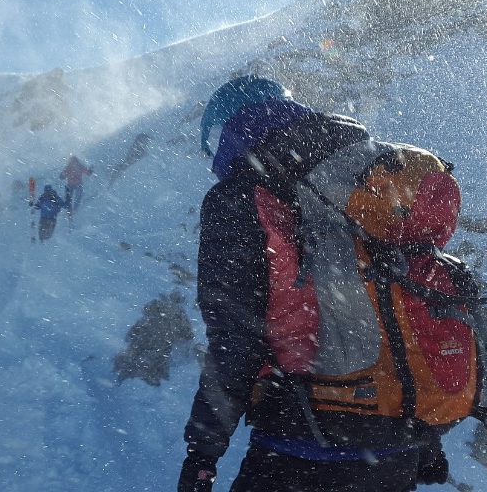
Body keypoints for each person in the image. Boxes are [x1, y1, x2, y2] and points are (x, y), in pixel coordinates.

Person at [178, 76, 450, 492]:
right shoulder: (362, 172)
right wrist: (426, 439)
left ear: (230, 131)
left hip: (303, 441)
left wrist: (202, 453)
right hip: (395, 445)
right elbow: (402, 299)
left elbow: (236, 338)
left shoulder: (240, 198)